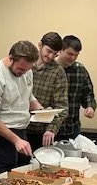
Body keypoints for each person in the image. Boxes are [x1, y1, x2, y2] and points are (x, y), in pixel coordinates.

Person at [0, 41, 42, 174]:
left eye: (27, 70)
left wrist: (40, 109)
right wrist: (16, 140)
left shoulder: (26, 71)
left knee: (23, 173)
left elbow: (27, 95)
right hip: (0, 133)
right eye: (21, 69)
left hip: (21, 128)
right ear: (11, 58)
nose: (23, 73)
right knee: (6, 175)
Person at [25, 32, 69, 162]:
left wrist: (51, 130)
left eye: (55, 54)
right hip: (19, 127)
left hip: (41, 132)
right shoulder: (26, 65)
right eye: (48, 51)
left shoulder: (58, 72)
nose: (51, 56)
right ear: (40, 45)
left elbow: (62, 107)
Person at [56, 35, 97, 140]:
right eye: (70, 54)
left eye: (76, 55)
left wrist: (90, 107)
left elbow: (88, 94)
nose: (73, 58)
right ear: (61, 50)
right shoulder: (51, 69)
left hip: (72, 128)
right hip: (51, 129)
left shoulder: (81, 70)